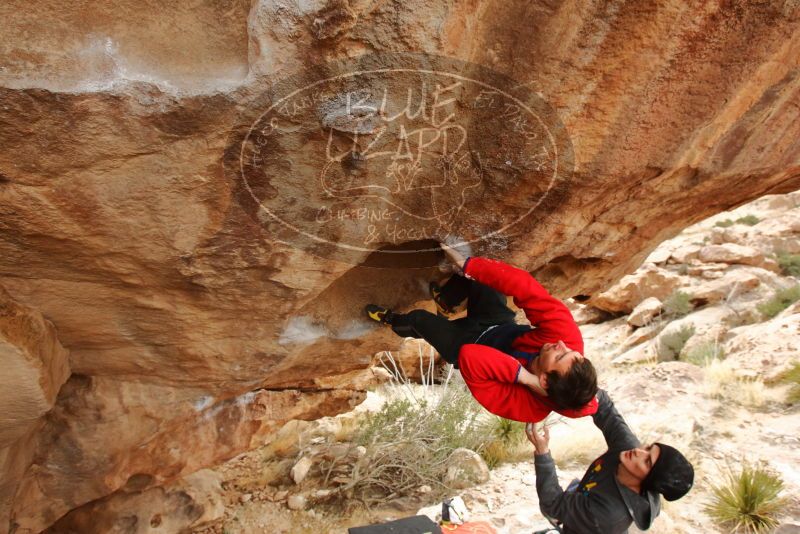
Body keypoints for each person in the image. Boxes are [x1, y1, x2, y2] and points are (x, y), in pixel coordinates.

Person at [365, 243, 598, 422]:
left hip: (465, 346)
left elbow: (470, 356)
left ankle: (390, 319)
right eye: (570, 352)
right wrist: (469, 265)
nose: (562, 345)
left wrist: (524, 378)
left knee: (420, 320)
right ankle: (447, 301)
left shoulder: (526, 407)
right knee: (483, 278)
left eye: (560, 356)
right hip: (497, 323)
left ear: (545, 379)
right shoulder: (568, 340)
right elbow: (526, 288)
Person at [525, 390, 694, 534]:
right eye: (649, 447)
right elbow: (604, 407)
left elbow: (553, 504)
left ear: (649, 481)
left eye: (647, 462)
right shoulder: (627, 449)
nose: (639, 451)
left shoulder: (610, 513)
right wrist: (580, 387)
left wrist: (543, 453)